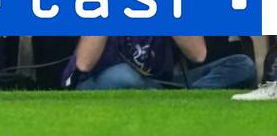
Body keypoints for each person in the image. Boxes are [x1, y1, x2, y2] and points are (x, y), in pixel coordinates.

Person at [63, 35, 256, 90]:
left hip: (160, 83)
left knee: (242, 65)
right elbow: (84, 64)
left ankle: (182, 101)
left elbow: (198, 55)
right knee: (125, 77)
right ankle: (169, 98)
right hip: (100, 80)